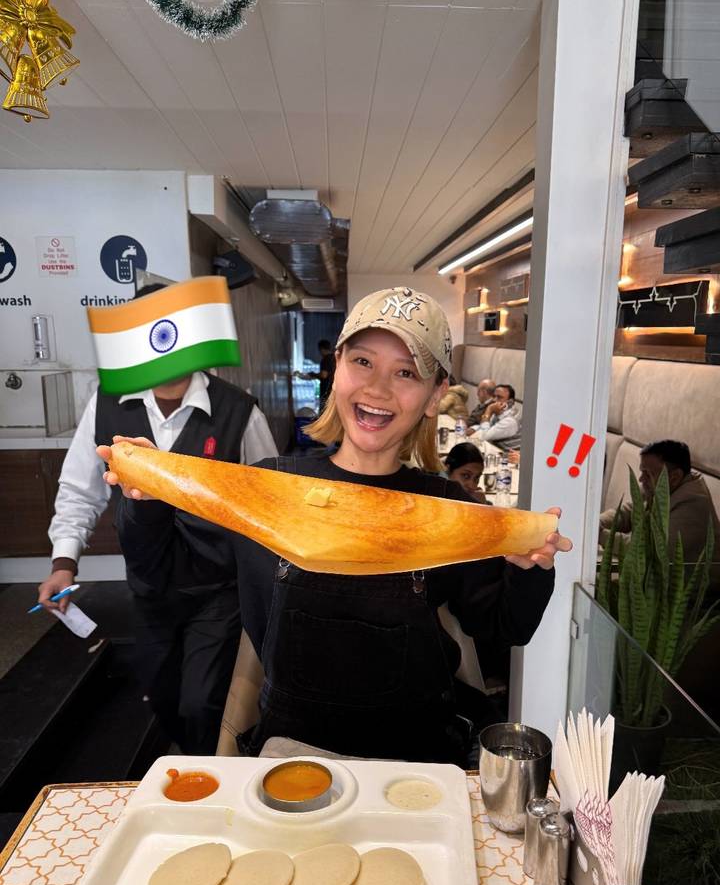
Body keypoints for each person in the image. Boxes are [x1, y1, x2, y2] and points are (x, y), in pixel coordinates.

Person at [102, 287, 571, 766]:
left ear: (434, 396)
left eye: (405, 372)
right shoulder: (268, 487)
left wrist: (527, 569)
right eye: (362, 362)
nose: (378, 388)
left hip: (418, 755)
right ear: (337, 368)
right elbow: (164, 569)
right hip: (293, 753)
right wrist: (148, 502)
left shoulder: (446, 503)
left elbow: (504, 626)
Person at [38, 282, 279, 755]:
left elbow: (265, 502)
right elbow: (78, 489)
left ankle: (209, 785)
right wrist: (63, 563)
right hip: (148, 589)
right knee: (163, 698)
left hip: (217, 590)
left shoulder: (238, 411)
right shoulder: (108, 404)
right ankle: (196, 762)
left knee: (201, 704)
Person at [600, 439, 720, 592]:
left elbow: (650, 551)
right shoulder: (661, 486)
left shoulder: (693, 506)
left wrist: (600, 536)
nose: (641, 479)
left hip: (688, 604)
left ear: (674, 477)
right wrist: (597, 523)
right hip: (655, 586)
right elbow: (628, 512)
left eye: (647, 473)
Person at [468, 383, 521, 452]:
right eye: (494, 396)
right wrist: (473, 428)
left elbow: (484, 437)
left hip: (507, 458)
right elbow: (487, 427)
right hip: (494, 451)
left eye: (499, 397)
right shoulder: (499, 412)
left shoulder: (510, 421)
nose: (494, 400)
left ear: (510, 402)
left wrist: (489, 410)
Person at [295, 339, 336, 409]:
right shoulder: (334, 358)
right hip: (334, 392)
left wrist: (313, 374)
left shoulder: (326, 359)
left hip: (326, 392)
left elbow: (324, 375)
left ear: (322, 349)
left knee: (324, 413)